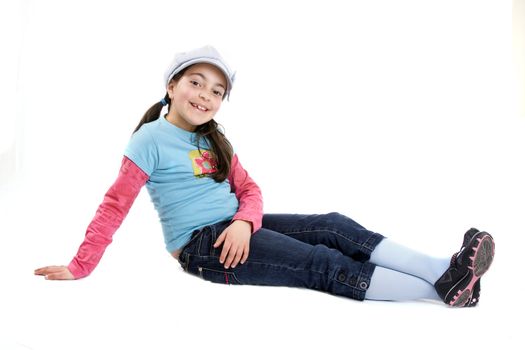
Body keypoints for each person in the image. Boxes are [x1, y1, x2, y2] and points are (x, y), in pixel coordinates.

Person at [34, 45, 495, 307]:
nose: (205, 95)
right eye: (195, 82)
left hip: (235, 227)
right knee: (320, 262)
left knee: (333, 224)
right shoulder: (148, 141)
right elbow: (113, 206)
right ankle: (443, 295)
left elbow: (249, 190)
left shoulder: (213, 138)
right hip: (202, 247)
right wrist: (81, 265)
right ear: (171, 86)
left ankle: (443, 272)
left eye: (217, 91)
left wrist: (243, 220)